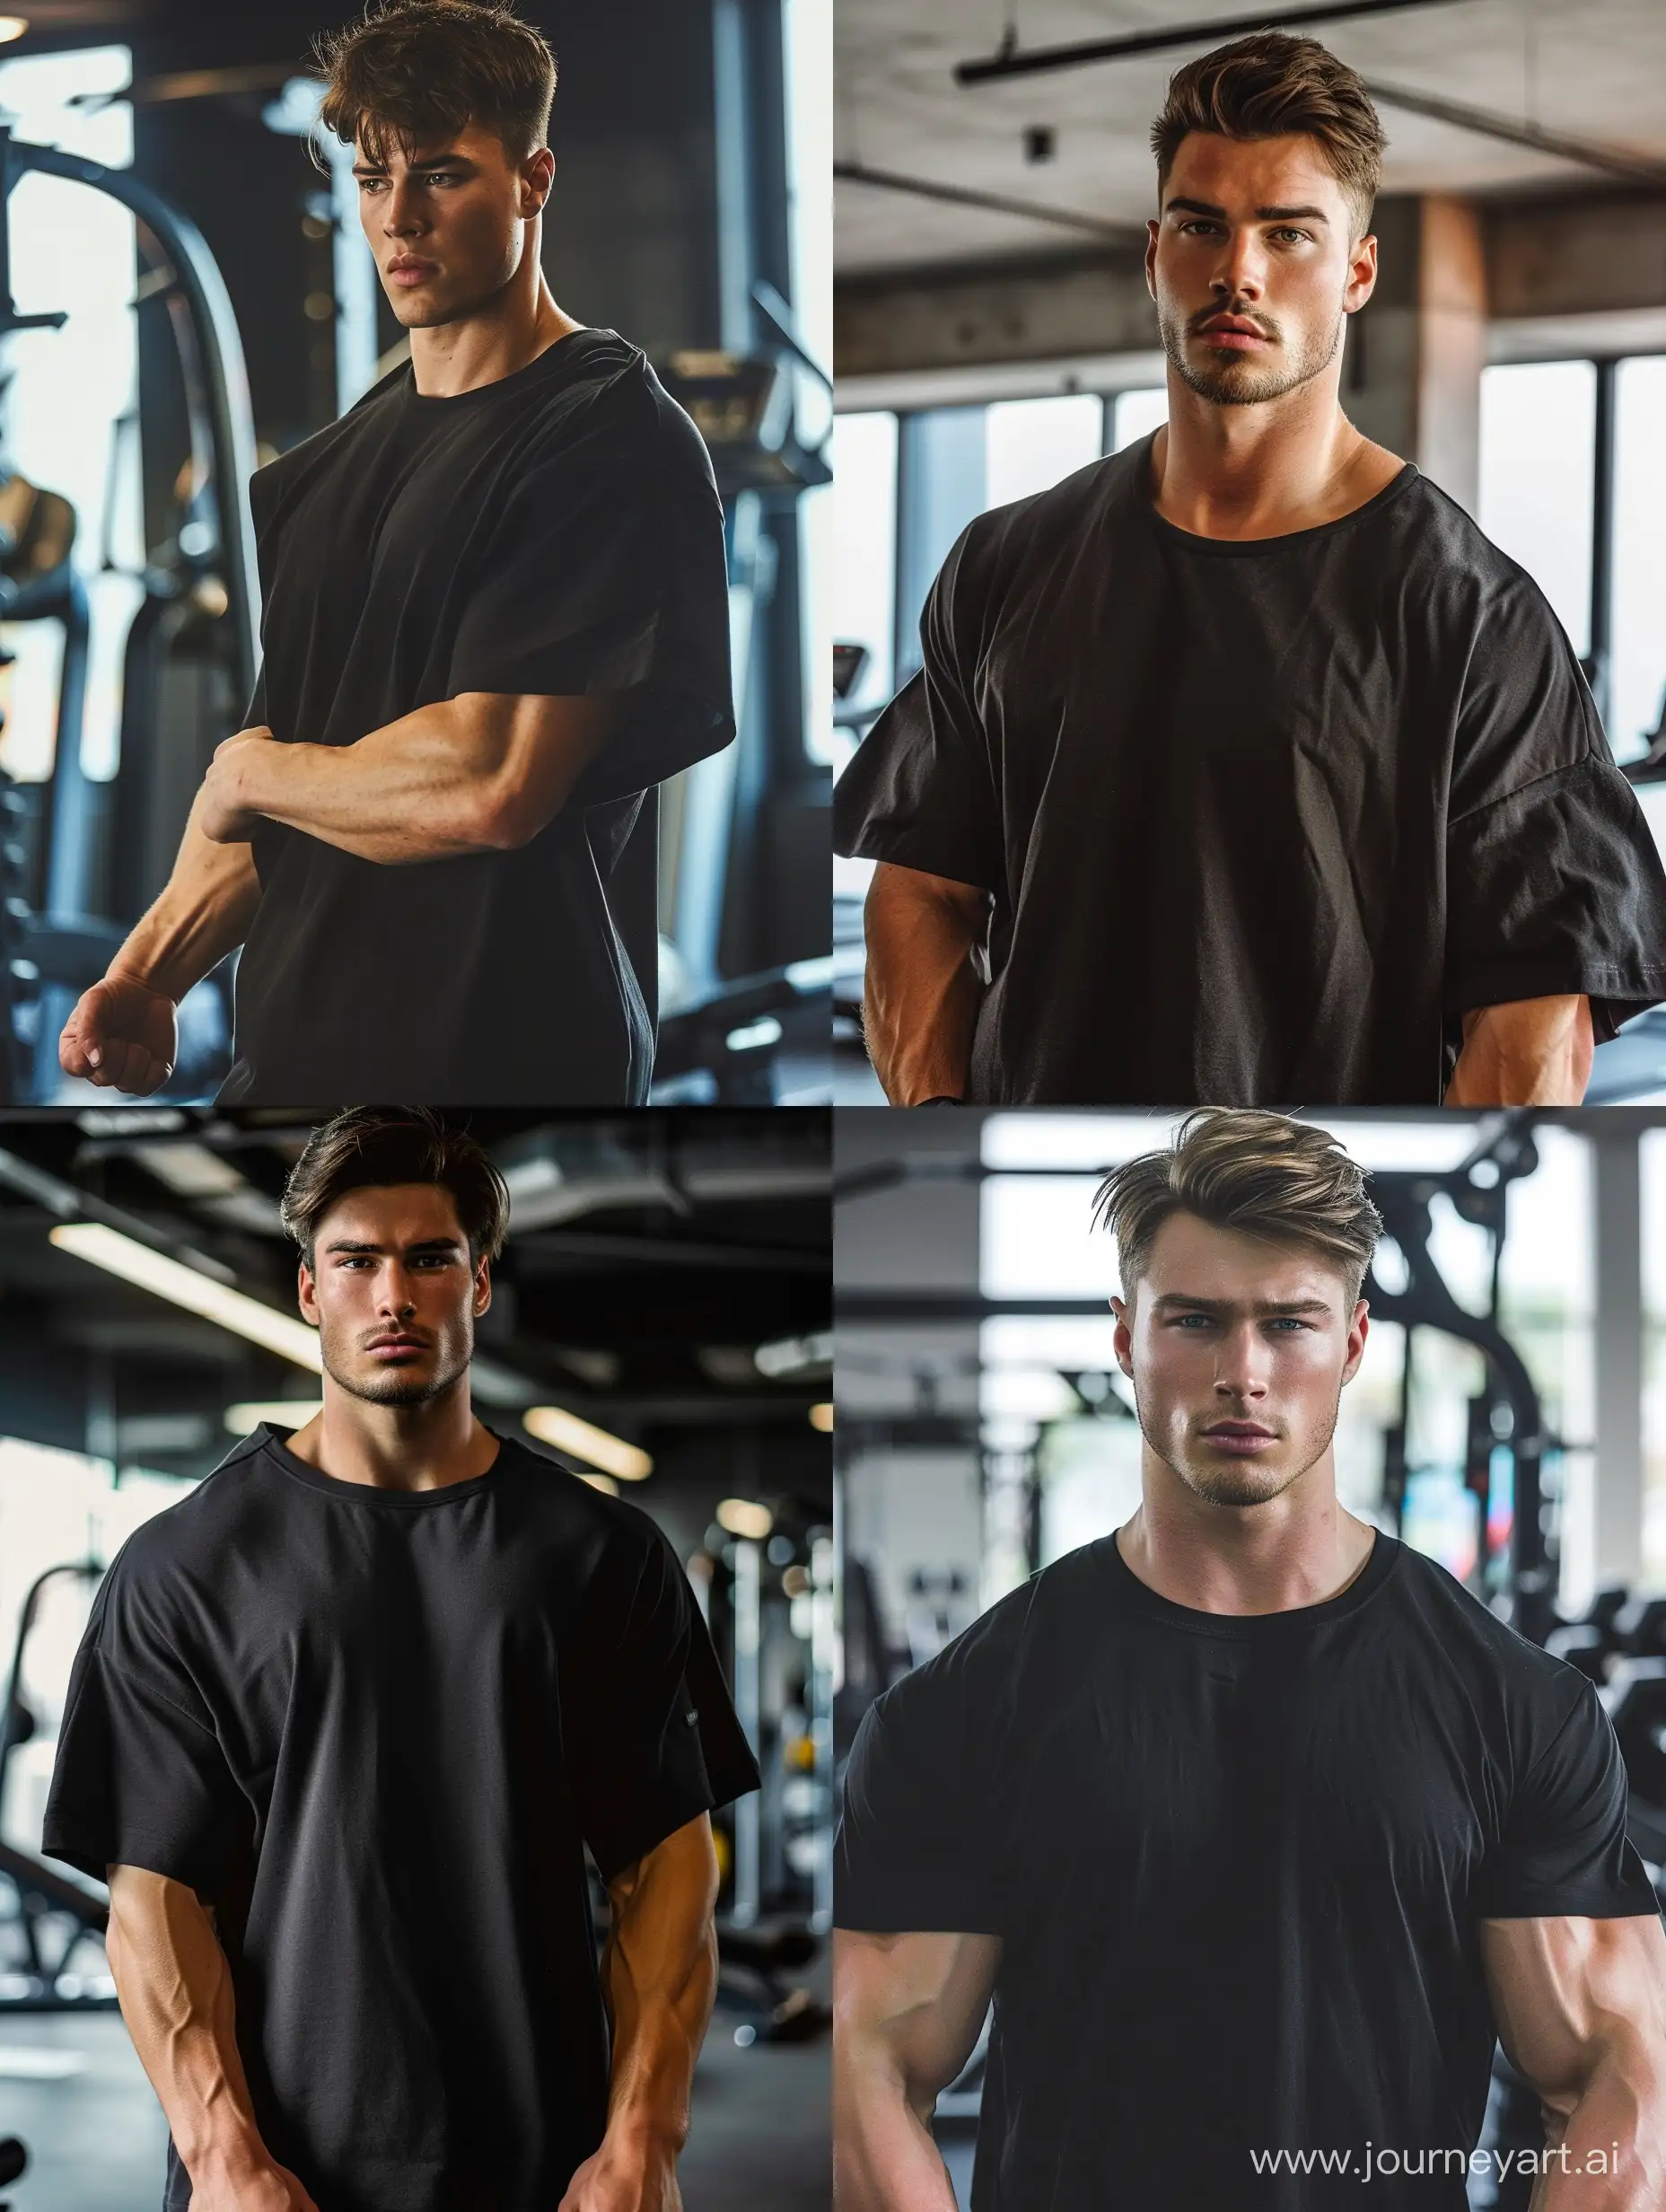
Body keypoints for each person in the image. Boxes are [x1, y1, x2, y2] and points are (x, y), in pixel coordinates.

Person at [833, 1110, 1666, 2209]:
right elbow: (873, 2061)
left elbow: (1615, 2076)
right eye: (1195, 1321)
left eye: (1288, 1324)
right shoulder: (961, 1707)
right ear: (1125, 1334)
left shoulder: (1515, 1704)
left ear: (1353, 1344)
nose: (1242, 1372)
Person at [833, 31, 1666, 1110]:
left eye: (1288, 234)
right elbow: (921, 890)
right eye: (1201, 226)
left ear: (1357, 272)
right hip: (1048, 1186)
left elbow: (1531, 1028)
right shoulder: (1006, 561)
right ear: (1152, 253)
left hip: (1308, 1210)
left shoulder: (1469, 616)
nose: (1237, 271)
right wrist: (951, 1128)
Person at [44, 1106, 758, 2212]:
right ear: (308, 1290)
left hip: (546, 2172)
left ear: (479, 1284)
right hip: (284, 2182)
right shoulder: (183, 1565)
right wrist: (229, 2161)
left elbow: (663, 1865)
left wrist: (642, 2142)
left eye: (430, 1259)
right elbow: (156, 1895)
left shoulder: (600, 1556)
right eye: (356, 1261)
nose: (393, 1295)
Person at [58, 0, 732, 1104]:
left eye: (442, 175)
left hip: (503, 1059)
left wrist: (253, 772)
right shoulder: (325, 475)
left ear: (533, 178)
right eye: (374, 181)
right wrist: (150, 971)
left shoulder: (603, 430)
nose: (399, 219)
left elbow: (489, 781)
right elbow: (281, 789)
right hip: (293, 1055)